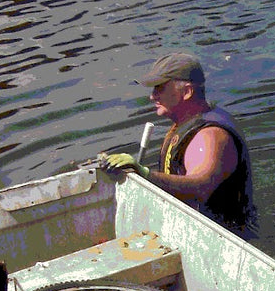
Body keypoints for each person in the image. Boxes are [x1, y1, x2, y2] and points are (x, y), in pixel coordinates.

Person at [103, 51, 259, 239]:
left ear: (187, 92)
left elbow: (200, 187)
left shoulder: (210, 136)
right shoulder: (185, 123)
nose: (152, 96)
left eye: (159, 88)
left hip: (223, 237)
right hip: (195, 230)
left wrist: (144, 173)